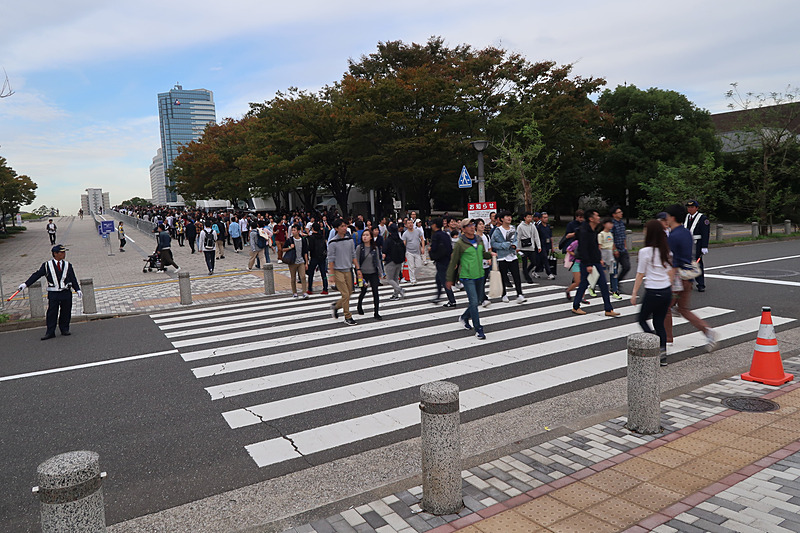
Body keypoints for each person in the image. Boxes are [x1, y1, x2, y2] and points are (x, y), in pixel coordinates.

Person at [664, 204, 717, 352]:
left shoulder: (673, 236)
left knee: (665, 308)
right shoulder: (686, 232)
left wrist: (669, 279)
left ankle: (667, 340)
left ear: (672, 218)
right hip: (688, 276)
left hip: (677, 279)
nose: (666, 219)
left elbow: (673, 260)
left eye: (667, 216)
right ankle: (707, 331)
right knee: (684, 309)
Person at [630, 220, 674, 365]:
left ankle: (654, 343)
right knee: (659, 322)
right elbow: (671, 272)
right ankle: (662, 353)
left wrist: (634, 293)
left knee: (642, 319)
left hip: (653, 291)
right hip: (666, 291)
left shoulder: (645, 252)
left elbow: (640, 274)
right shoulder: (666, 250)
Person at [19, 244, 82, 340]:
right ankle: (50, 332)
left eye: (64, 252)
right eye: (61, 252)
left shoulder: (68, 265)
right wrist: (26, 284)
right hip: (54, 293)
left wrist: (77, 289)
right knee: (52, 313)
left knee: (66, 311)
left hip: (65, 292)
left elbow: (73, 278)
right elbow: (37, 275)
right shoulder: (47, 265)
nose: (64, 254)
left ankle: (64, 329)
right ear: (55, 254)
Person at [446, 219, 495, 340]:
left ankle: (464, 317)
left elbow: (483, 254)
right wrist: (449, 279)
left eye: (473, 225)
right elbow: (454, 261)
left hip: (480, 274)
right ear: (463, 229)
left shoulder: (479, 239)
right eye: (468, 226)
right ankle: (478, 329)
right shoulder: (460, 243)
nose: (472, 227)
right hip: (467, 276)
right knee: (473, 302)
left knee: (477, 300)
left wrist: (492, 254)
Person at [571, 209, 619, 317]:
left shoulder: (593, 230)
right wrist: (588, 264)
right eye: (596, 216)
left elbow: (594, 248)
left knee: (602, 285)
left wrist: (599, 259)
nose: (598, 217)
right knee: (584, 284)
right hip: (587, 263)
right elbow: (584, 249)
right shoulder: (584, 231)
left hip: (595, 262)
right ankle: (576, 306)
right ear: (591, 218)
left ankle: (608, 309)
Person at [490, 211, 526, 303]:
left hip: (513, 255)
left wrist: (514, 245)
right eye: (507, 217)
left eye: (510, 216)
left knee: (516, 276)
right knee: (503, 276)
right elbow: (493, 243)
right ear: (502, 219)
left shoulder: (513, 229)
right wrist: (504, 245)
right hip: (502, 256)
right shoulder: (498, 231)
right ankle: (504, 294)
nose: (509, 218)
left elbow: (516, 240)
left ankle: (519, 294)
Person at [328, 219, 358, 325]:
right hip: (338, 271)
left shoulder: (349, 240)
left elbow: (353, 255)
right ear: (336, 229)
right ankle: (347, 316)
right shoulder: (332, 243)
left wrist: (358, 269)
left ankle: (336, 306)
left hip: (348, 269)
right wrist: (331, 275)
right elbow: (331, 260)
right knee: (345, 294)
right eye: (342, 226)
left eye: (345, 226)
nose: (344, 228)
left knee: (349, 293)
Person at [354, 230, 384, 320]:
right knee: (363, 291)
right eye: (363, 235)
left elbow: (378, 261)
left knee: (375, 292)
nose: (365, 237)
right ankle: (359, 305)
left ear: (371, 237)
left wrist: (381, 272)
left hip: (373, 273)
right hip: (362, 274)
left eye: (367, 235)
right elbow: (357, 261)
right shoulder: (359, 248)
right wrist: (358, 271)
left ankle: (376, 312)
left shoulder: (375, 248)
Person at [429, 218, 456, 307]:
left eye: (432, 224)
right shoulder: (446, 234)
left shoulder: (436, 235)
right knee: (438, 279)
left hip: (440, 261)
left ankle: (452, 300)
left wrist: (430, 250)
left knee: (444, 281)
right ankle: (438, 296)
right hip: (447, 259)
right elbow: (450, 248)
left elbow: (434, 248)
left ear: (435, 225)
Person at [684, 200, 710, 292]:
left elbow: (705, 233)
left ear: (696, 208)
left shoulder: (702, 218)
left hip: (697, 243)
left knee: (697, 264)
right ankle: (688, 282)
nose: (690, 209)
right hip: (687, 243)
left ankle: (701, 284)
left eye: (692, 207)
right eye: (688, 207)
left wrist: (704, 246)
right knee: (686, 263)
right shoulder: (687, 217)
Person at [284, 224, 309, 298]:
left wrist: (306, 263)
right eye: (292, 230)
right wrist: (290, 247)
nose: (293, 232)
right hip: (292, 262)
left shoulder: (303, 240)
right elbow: (283, 249)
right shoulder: (290, 240)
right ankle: (294, 293)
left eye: (294, 230)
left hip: (301, 261)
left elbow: (305, 252)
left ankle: (304, 292)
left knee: (303, 277)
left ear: (298, 231)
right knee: (293, 278)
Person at [610, 206, 630, 298]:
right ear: (614, 214)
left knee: (627, 266)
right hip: (615, 250)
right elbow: (610, 238)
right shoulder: (612, 224)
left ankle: (617, 281)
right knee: (614, 269)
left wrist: (625, 246)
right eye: (619, 212)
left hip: (622, 249)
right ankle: (613, 287)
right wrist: (614, 249)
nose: (621, 213)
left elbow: (623, 236)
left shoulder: (621, 223)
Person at [382, 223, 405, 300]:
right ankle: (395, 295)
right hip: (399, 262)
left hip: (390, 261)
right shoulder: (400, 240)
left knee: (389, 279)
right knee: (395, 278)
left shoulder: (388, 240)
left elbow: (384, 251)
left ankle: (399, 289)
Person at [518, 211, 542, 284]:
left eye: (530, 217)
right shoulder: (520, 226)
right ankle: (527, 277)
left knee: (534, 262)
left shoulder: (532, 226)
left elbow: (536, 236)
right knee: (524, 263)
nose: (530, 218)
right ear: (524, 218)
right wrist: (517, 248)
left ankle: (526, 272)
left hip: (531, 247)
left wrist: (539, 246)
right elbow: (518, 237)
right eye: (528, 217)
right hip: (523, 248)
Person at [307, 223, 329, 295]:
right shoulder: (322, 237)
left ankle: (310, 288)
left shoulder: (311, 237)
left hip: (314, 257)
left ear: (313, 229)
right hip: (322, 256)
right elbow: (325, 246)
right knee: (323, 273)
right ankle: (325, 288)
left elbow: (310, 248)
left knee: (311, 273)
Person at [401, 218, 425, 284]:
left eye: (411, 223)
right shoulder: (405, 234)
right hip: (409, 252)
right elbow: (404, 243)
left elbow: (422, 239)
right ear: (406, 225)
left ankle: (413, 276)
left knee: (419, 266)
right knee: (411, 266)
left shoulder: (418, 231)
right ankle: (413, 280)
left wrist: (423, 248)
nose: (410, 224)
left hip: (417, 251)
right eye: (408, 223)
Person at [535, 212, 556, 279]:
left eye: (547, 217)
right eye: (544, 217)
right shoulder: (538, 227)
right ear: (541, 218)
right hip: (541, 245)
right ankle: (549, 273)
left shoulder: (548, 227)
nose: (546, 219)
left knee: (542, 260)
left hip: (547, 244)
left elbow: (550, 237)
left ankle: (535, 271)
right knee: (545, 259)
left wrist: (552, 247)